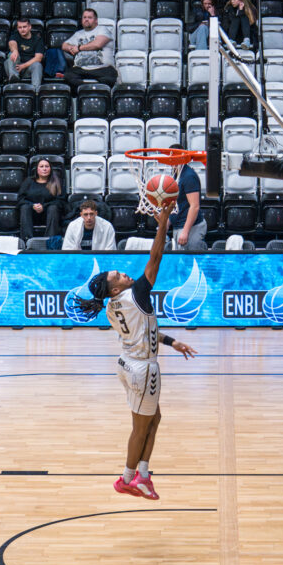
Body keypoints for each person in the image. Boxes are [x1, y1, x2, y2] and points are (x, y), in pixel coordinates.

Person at [73, 201, 196, 501]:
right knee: (141, 428)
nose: (125, 275)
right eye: (118, 276)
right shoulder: (135, 294)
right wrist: (163, 224)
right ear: (115, 289)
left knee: (153, 420)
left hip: (130, 364)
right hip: (142, 369)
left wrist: (170, 342)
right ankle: (129, 478)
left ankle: (143, 474)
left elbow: (145, 330)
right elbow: (155, 258)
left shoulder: (113, 308)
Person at [60, 8, 117, 90]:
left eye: (90, 18)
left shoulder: (103, 30)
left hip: (102, 68)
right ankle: (85, 89)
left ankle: (95, 92)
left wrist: (79, 48)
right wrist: (71, 48)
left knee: (110, 78)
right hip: (81, 69)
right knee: (68, 76)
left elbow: (97, 44)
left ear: (96, 20)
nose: (86, 19)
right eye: (84, 17)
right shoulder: (78, 34)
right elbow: (64, 45)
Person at [168, 146, 206, 251]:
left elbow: (195, 206)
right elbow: (175, 203)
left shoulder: (189, 176)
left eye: (172, 156)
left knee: (191, 261)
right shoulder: (175, 174)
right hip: (178, 225)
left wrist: (185, 231)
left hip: (192, 227)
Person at [18, 158, 63, 241]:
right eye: (41, 166)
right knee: (24, 207)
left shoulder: (56, 182)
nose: (44, 168)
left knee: (53, 208)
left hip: (49, 214)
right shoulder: (29, 181)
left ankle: (49, 241)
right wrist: (32, 205)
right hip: (31, 213)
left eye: (47, 166)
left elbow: (60, 201)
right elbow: (20, 199)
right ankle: (27, 241)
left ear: (50, 169)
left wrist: (44, 206)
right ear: (37, 169)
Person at [6, 17, 45, 87]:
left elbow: (38, 58)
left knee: (37, 65)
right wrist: (15, 50)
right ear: (17, 28)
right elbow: (12, 43)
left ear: (30, 27)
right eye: (20, 27)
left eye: (24, 27)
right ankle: (14, 80)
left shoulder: (37, 39)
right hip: (15, 67)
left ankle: (35, 89)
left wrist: (23, 66)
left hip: (28, 69)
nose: (22, 29)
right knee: (12, 54)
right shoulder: (15, 35)